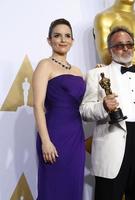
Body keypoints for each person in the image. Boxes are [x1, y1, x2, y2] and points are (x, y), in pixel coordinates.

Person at [80, 26, 135, 200]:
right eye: (120, 45)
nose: (125, 48)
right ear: (110, 49)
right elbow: (84, 111)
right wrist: (103, 107)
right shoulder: (96, 74)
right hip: (111, 145)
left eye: (129, 44)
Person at [32, 18, 85, 200]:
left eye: (67, 36)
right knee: (53, 188)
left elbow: (86, 103)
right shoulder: (44, 65)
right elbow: (38, 106)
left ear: (72, 41)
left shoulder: (78, 71)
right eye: (57, 35)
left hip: (76, 137)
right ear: (49, 40)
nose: (63, 40)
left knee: (73, 186)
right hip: (54, 134)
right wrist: (46, 141)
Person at [94, 0, 135, 69]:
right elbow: (106, 57)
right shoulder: (104, 17)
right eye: (120, 45)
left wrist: (122, 55)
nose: (126, 49)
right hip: (114, 76)